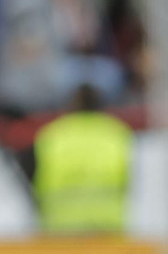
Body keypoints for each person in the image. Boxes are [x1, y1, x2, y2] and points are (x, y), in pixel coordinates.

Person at [32, 84, 132, 234]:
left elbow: (35, 178)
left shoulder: (51, 134)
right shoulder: (117, 133)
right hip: (107, 223)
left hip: (60, 224)